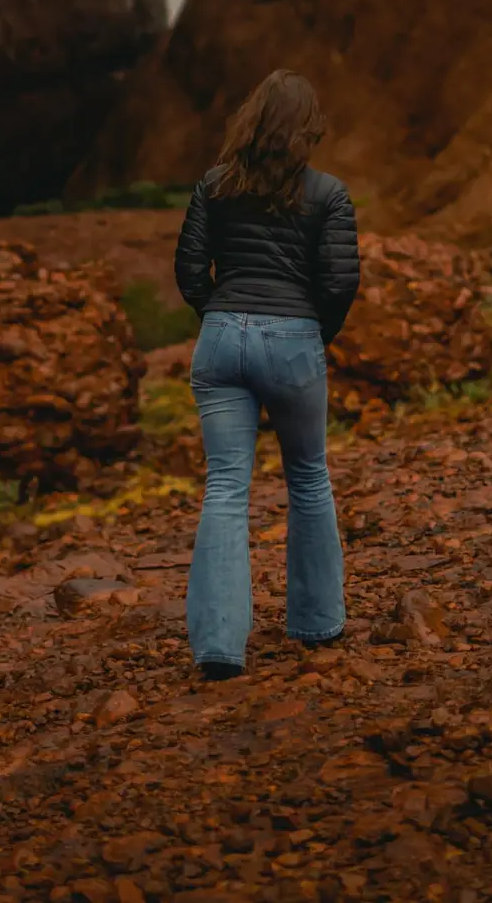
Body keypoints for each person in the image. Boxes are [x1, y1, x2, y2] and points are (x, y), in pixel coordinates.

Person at [173, 68, 360, 679]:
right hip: (294, 340)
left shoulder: (214, 186)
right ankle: (317, 623)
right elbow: (338, 283)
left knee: (226, 488)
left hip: (221, 338)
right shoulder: (328, 193)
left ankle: (220, 648)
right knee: (308, 479)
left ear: (251, 121)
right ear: (308, 129)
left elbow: (189, 268)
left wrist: (219, 317)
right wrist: (308, 333)